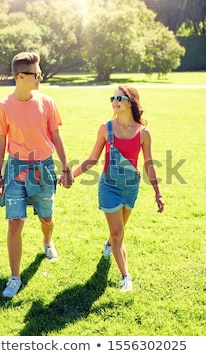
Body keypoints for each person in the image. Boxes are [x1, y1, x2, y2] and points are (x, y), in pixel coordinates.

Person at [0, 52, 73, 298]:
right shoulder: (3, 107)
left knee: (46, 218)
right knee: (15, 222)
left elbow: (56, 136)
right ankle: (15, 277)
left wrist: (66, 166)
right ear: (20, 76)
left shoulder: (47, 102)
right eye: (36, 74)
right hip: (16, 170)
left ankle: (47, 243)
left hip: (44, 168)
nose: (40, 77)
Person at [70, 85, 165, 292]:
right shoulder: (106, 128)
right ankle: (125, 276)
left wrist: (158, 193)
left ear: (131, 101)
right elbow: (92, 159)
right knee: (118, 232)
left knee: (118, 230)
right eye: (112, 97)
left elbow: (149, 164)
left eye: (119, 98)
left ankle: (109, 244)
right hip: (109, 186)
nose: (114, 101)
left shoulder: (143, 133)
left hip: (131, 187)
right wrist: (71, 175)